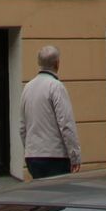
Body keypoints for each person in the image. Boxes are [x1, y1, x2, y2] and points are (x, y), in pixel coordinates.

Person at [21, 44, 81, 179]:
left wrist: (30, 149)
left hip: (32, 157)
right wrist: (74, 156)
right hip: (55, 157)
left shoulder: (27, 87)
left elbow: (22, 127)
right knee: (59, 196)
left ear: (39, 63)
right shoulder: (56, 86)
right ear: (57, 63)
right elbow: (66, 124)